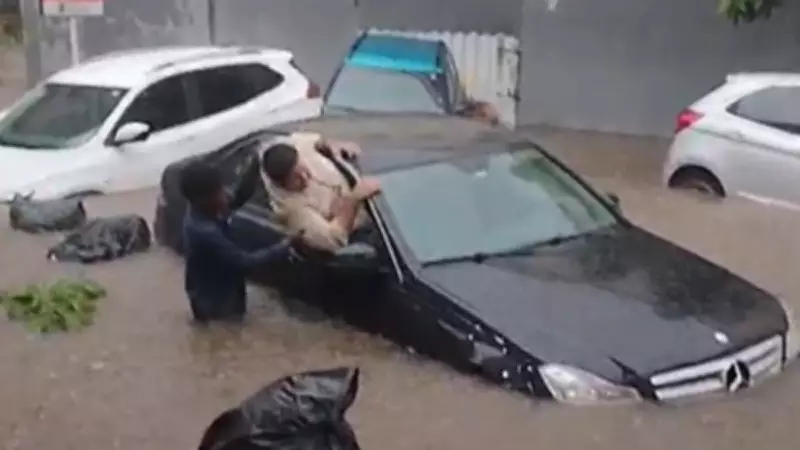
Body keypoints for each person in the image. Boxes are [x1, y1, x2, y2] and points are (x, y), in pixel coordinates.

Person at [179, 160, 301, 324]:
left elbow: (236, 199)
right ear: (203, 200)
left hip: (216, 289)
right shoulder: (204, 232)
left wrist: (255, 166)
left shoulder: (204, 210)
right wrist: (285, 246)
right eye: (219, 192)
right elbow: (244, 262)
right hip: (216, 304)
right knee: (226, 332)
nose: (225, 194)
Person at [260, 133, 381, 253]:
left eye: (302, 168)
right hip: (368, 228)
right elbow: (333, 240)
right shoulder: (294, 211)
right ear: (282, 183)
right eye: (296, 178)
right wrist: (352, 200)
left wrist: (330, 144)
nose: (306, 177)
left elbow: (313, 141)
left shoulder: (296, 149)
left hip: (369, 185)